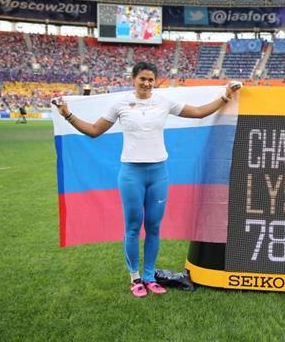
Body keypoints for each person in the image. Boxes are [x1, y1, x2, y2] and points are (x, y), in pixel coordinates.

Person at [53, 61, 241, 298]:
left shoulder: (163, 102)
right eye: (142, 78)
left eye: (151, 79)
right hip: (132, 173)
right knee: (133, 228)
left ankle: (150, 276)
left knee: (153, 227)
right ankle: (135, 278)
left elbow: (198, 112)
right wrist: (67, 114)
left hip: (158, 173)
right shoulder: (120, 104)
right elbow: (93, 130)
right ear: (133, 79)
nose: (147, 83)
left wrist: (225, 96)